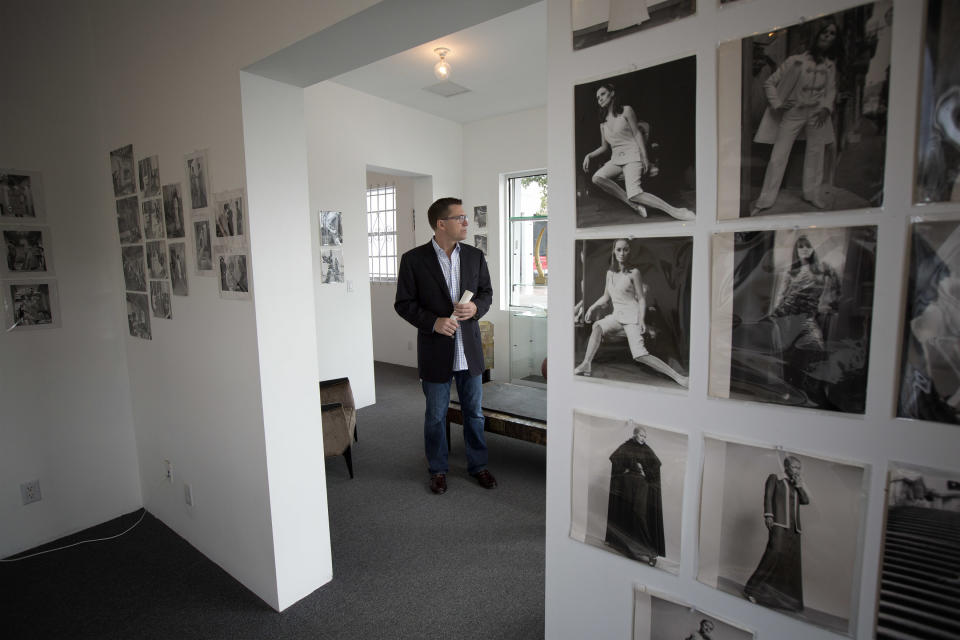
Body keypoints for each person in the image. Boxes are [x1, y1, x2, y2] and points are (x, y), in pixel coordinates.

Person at [394, 197, 495, 495]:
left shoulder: (476, 256)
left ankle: (479, 465)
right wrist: (433, 322)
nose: (466, 222)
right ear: (441, 224)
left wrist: (476, 308)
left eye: (466, 217)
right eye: (460, 217)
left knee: (474, 413)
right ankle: (437, 469)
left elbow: (487, 293)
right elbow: (403, 304)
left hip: (470, 351)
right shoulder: (413, 259)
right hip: (436, 351)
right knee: (436, 416)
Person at [751, 19, 840, 214]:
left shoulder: (829, 66)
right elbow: (769, 83)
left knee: (816, 154)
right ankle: (765, 200)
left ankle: (812, 194)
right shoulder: (795, 61)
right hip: (794, 112)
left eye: (832, 34)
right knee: (779, 155)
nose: (828, 37)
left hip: (816, 114)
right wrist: (779, 103)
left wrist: (826, 107)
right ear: (816, 35)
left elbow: (830, 91)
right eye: (825, 32)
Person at [574, 238, 688, 387]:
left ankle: (678, 377)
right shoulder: (610, 274)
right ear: (614, 252)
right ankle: (586, 363)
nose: (622, 253)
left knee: (640, 355)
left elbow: (641, 299)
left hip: (632, 317)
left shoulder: (634, 273)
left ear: (629, 252)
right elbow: (606, 297)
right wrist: (591, 308)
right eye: (619, 249)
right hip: (617, 316)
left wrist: (641, 320)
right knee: (598, 326)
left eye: (625, 249)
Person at [581, 82, 695, 221]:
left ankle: (677, 211)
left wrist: (645, 157)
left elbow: (637, 134)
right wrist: (589, 155)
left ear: (612, 93)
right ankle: (634, 206)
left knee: (634, 193)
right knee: (597, 178)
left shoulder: (626, 111)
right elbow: (604, 147)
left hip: (633, 156)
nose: (600, 99)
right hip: (616, 159)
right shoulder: (603, 123)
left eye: (603, 94)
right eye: (598, 97)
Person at [769, 234, 840, 407]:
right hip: (788, 320)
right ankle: (790, 392)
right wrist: (776, 316)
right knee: (788, 358)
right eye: (801, 247)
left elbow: (833, 295)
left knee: (815, 350)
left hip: (808, 319)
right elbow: (780, 299)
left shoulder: (823, 270)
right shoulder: (790, 272)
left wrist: (828, 307)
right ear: (796, 250)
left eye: (808, 246)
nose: (805, 250)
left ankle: (812, 394)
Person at [743, 456, 810, 612]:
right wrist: (768, 515)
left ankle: (783, 599)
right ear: (786, 466)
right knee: (773, 554)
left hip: (794, 529)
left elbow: (805, 501)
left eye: (799, 468)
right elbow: (767, 496)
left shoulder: (796, 484)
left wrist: (799, 486)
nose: (797, 471)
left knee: (789, 562)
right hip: (779, 524)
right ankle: (751, 589)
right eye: (794, 467)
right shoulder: (775, 478)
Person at [604, 423, 664, 566]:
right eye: (641, 435)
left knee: (639, 515)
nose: (643, 438)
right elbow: (614, 458)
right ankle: (626, 546)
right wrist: (624, 470)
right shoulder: (627, 446)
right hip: (626, 486)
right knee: (627, 513)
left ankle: (648, 551)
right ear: (635, 434)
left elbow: (656, 465)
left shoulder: (647, 450)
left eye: (645, 436)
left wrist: (645, 472)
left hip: (641, 487)